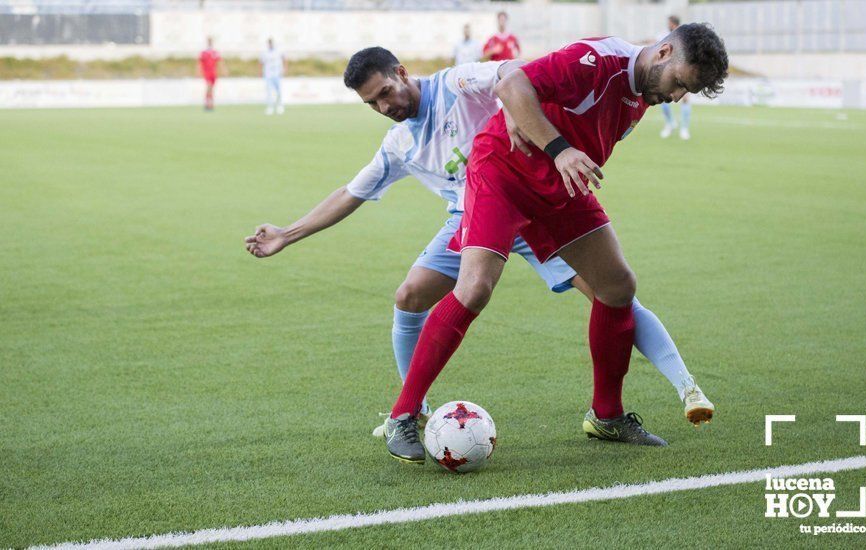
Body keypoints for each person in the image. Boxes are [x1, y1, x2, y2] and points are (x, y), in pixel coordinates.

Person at [244, 47, 711, 445]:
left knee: (611, 292)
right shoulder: (398, 144)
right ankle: (413, 409)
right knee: (410, 296)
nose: (384, 106)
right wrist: (288, 233)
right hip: (471, 218)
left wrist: (510, 108)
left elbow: (513, 74)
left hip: (530, 204)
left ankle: (684, 387)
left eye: (385, 92)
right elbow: (350, 194)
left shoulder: (458, 82)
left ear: (402, 73)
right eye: (372, 103)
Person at [382, 24, 729, 464]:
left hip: (560, 186)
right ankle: (403, 415)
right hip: (502, 174)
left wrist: (555, 147)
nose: (677, 96)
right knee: (474, 289)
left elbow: (543, 107)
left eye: (687, 92)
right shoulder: (596, 60)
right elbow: (512, 82)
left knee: (618, 286)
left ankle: (607, 416)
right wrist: (559, 146)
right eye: (679, 83)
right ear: (662, 52)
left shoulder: (641, 92)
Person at [659, 16, 693, 140]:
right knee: (662, 98)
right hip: (669, 72)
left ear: (673, 24)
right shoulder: (666, 36)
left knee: (685, 99)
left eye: (669, 23)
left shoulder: (684, 36)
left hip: (683, 72)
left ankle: (684, 129)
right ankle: (670, 123)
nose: (667, 25)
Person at [261, 38, 287, 115]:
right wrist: (260, 72)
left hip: (277, 74)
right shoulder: (264, 53)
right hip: (268, 74)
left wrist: (285, 69)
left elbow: (284, 59)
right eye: (269, 43)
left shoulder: (279, 51)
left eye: (271, 43)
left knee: (279, 90)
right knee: (269, 91)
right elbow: (261, 62)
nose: (270, 45)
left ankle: (280, 105)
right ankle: (270, 107)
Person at [198, 37, 224, 111]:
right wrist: (199, 72)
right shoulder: (204, 53)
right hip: (207, 73)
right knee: (208, 88)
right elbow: (200, 63)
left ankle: (210, 104)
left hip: (213, 73)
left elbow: (220, 62)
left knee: (211, 89)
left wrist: (223, 71)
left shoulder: (215, 52)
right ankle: (207, 104)